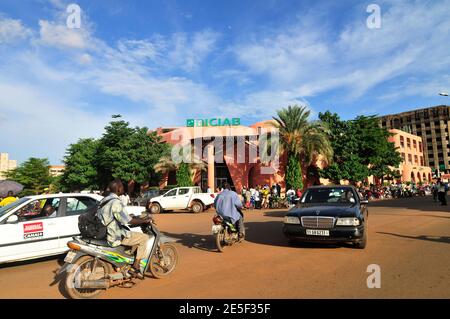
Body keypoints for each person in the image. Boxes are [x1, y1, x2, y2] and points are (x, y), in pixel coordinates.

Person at [98, 180, 153, 279]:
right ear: (119, 189)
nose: (123, 188)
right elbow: (128, 221)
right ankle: (135, 267)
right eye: (122, 187)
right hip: (115, 235)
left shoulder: (105, 200)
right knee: (144, 238)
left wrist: (130, 216)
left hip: (105, 233)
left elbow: (116, 216)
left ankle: (124, 264)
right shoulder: (116, 202)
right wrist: (143, 221)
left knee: (131, 235)